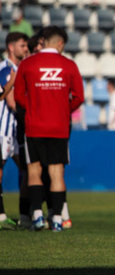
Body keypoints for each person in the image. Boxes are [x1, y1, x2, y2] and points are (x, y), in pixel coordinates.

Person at [14, 26, 85, 231]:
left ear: (44, 41)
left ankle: (36, 215)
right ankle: (56, 218)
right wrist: (62, 109)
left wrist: (34, 109)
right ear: (60, 43)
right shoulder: (69, 65)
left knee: (33, 170)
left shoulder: (28, 64)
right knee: (57, 172)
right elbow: (79, 97)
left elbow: (19, 96)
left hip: (34, 125)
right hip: (58, 127)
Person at [0, 32, 29, 230]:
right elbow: (10, 101)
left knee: (28, 170)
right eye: (22, 45)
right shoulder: (6, 69)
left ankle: (26, 214)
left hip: (16, 129)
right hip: (4, 129)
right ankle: (2, 216)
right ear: (11, 47)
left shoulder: (19, 68)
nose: (25, 48)